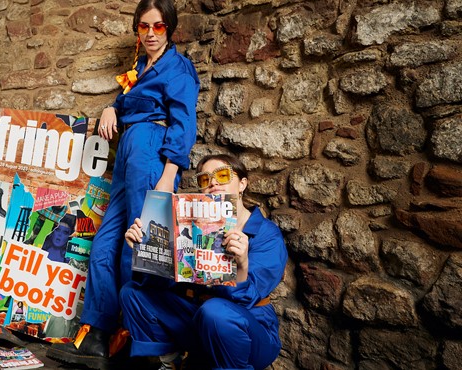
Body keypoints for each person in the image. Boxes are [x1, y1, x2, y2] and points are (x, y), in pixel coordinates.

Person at [46, 0, 200, 368]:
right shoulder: (139, 67)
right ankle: (97, 336)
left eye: (158, 27)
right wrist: (112, 108)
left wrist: (166, 180)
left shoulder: (178, 68)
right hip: (128, 152)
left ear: (169, 28)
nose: (150, 34)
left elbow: (184, 126)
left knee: (142, 248)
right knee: (105, 243)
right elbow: (126, 102)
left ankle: (141, 345)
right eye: (144, 26)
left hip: (152, 153)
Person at [121, 153, 288, 370]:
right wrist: (146, 251)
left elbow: (248, 299)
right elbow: (165, 285)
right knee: (133, 293)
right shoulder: (189, 226)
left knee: (215, 311)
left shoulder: (267, 235)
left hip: (249, 331)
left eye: (223, 175)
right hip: (198, 318)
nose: (213, 183)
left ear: (242, 184)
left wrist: (242, 264)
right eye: (205, 179)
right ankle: (172, 361)